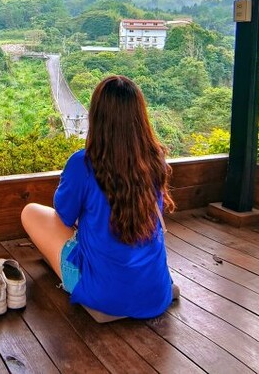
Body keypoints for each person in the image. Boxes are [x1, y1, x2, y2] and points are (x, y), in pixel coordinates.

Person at [21, 75, 176, 318]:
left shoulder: (83, 163)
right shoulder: (154, 159)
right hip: (156, 291)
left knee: (30, 212)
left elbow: (63, 216)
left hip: (103, 294)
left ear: (96, 116)